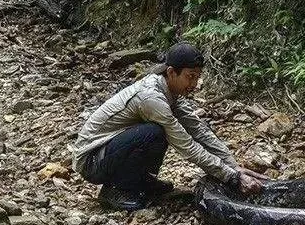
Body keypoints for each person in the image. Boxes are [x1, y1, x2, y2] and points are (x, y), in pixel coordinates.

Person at [71, 41, 265, 210]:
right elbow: (186, 145)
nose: (195, 84)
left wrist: (233, 166)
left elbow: (198, 130)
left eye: (197, 77)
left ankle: (141, 181)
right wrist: (231, 177)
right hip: (91, 161)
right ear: (171, 72)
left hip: (108, 152)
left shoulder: (171, 93)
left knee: (157, 132)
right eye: (190, 77)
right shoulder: (151, 98)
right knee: (154, 132)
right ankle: (116, 191)